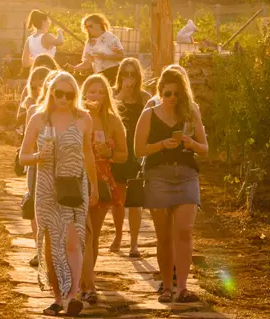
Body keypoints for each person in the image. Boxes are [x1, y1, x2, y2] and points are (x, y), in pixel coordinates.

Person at [19, 71, 98, 316]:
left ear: (75, 94)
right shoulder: (38, 118)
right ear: (51, 91)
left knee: (73, 242)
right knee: (52, 244)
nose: (63, 98)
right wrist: (38, 157)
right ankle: (56, 298)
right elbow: (22, 156)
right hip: (45, 187)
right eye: (59, 93)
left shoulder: (84, 118)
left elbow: (88, 154)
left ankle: (73, 296)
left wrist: (94, 185)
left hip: (74, 185)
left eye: (69, 94)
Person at [135, 68, 208, 304]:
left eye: (177, 93)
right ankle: (166, 286)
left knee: (184, 230)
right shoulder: (149, 114)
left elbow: (205, 149)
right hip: (158, 176)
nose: (172, 98)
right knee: (164, 235)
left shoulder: (190, 112)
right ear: (160, 92)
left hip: (186, 174)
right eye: (168, 93)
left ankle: (183, 287)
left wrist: (190, 142)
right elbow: (138, 150)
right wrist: (161, 145)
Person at [79, 74, 128, 304]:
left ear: (107, 95)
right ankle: (81, 282)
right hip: (77, 178)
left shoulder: (113, 121)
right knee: (80, 233)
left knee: (93, 235)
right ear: (83, 93)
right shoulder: (77, 117)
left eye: (100, 92)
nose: (95, 96)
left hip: (101, 179)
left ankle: (87, 282)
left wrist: (108, 153)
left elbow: (124, 155)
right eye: (91, 91)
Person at [110, 57, 153, 257]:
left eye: (132, 74)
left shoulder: (145, 98)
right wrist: (119, 96)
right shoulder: (112, 95)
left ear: (138, 76)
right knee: (117, 198)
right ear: (120, 76)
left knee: (134, 199)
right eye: (125, 74)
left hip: (136, 153)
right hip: (118, 151)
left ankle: (134, 242)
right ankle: (118, 235)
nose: (129, 78)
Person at [17, 66, 54, 268]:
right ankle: (39, 250)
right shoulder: (33, 110)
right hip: (36, 164)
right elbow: (26, 140)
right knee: (35, 206)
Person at [73, 13, 125, 84]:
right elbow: (87, 63)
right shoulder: (89, 42)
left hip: (113, 72)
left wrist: (105, 56)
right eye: (86, 27)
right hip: (99, 75)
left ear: (100, 24)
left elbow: (121, 56)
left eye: (91, 26)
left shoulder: (111, 38)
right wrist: (74, 68)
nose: (88, 29)